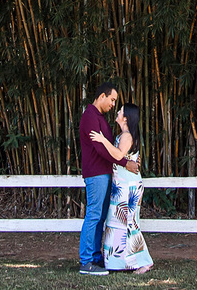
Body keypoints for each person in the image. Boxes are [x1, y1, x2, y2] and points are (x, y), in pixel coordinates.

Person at [78, 82, 139, 276]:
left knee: (100, 217)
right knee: (94, 215)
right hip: (96, 174)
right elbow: (100, 148)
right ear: (101, 96)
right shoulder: (90, 117)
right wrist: (124, 163)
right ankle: (86, 261)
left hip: (104, 174)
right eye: (112, 100)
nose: (113, 104)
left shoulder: (100, 118)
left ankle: (96, 258)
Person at [89, 102, 154, 273]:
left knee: (129, 223)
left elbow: (118, 155)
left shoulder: (126, 136)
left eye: (120, 111)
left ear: (125, 117)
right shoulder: (124, 134)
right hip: (123, 185)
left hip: (128, 186)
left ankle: (144, 261)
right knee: (118, 223)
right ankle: (119, 262)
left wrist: (102, 139)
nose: (117, 112)